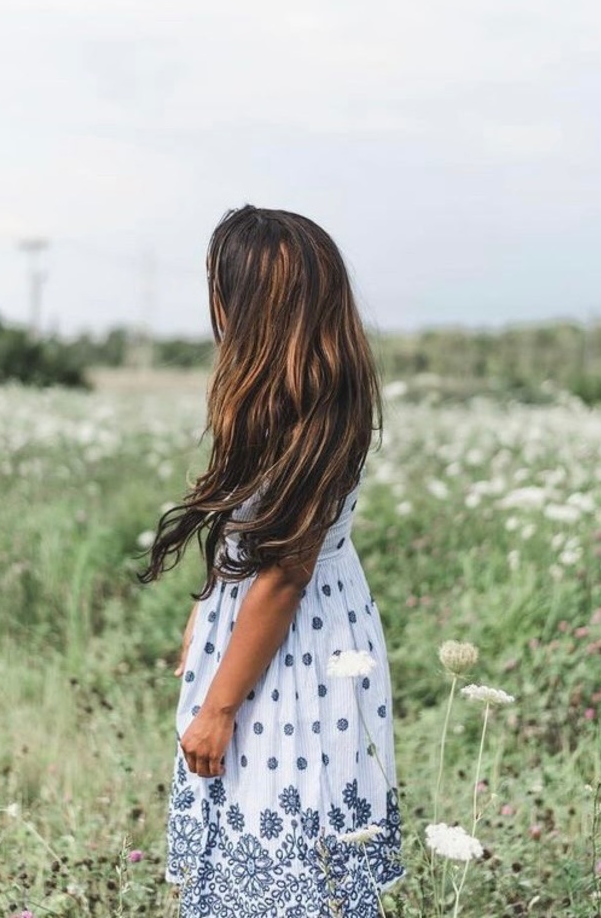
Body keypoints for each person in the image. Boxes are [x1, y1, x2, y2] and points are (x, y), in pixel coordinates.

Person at [140, 205, 403, 917]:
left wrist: (219, 707)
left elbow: (284, 574)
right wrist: (206, 609)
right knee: (266, 850)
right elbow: (248, 536)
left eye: (218, 286)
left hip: (294, 644)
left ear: (252, 302)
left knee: (281, 841)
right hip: (279, 622)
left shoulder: (308, 409)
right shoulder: (293, 397)